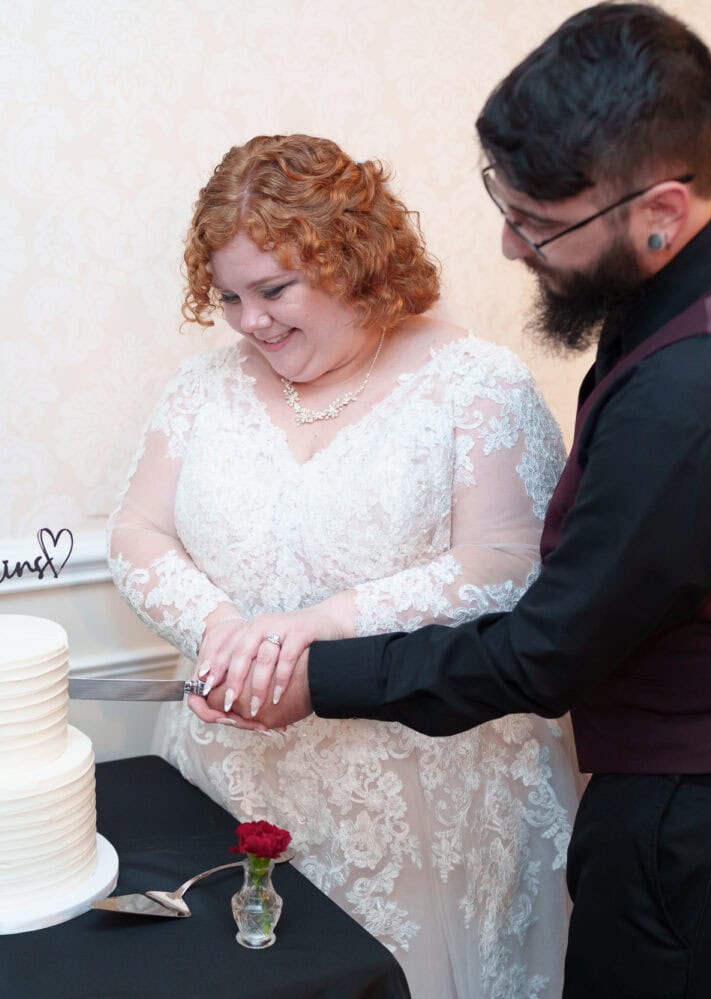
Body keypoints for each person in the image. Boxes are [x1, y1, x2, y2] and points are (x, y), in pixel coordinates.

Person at [204, 6, 711, 997]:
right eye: (503, 207)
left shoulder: (701, 397)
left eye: (540, 223)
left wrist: (322, 680)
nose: (512, 248)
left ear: (664, 208)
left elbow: (547, 651)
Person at [109, 133, 578, 998]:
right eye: (229, 297)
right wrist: (221, 632)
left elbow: (509, 565)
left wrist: (321, 625)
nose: (251, 321)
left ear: (357, 259)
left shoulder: (477, 385)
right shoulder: (203, 389)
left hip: (426, 792)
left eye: (275, 289)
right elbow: (137, 531)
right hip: (235, 774)